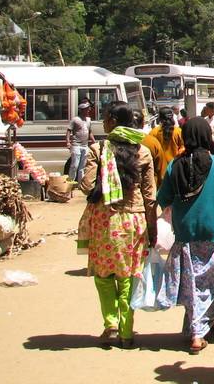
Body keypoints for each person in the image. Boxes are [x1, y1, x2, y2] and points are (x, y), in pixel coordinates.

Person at [78, 101, 157, 349]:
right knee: (127, 278)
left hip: (105, 219)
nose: (102, 122)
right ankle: (126, 332)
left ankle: (110, 322)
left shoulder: (98, 149)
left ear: (112, 121)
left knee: (103, 275)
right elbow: (150, 197)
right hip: (134, 221)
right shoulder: (142, 151)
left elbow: (87, 186)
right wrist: (152, 230)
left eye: (104, 118)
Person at [157, 117, 214, 355]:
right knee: (212, 282)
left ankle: (200, 325)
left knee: (191, 284)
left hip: (185, 232)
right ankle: (200, 331)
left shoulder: (174, 165)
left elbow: (163, 198)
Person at [150, 107, 184, 183]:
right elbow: (182, 147)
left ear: (160, 119)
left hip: (159, 169)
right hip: (176, 168)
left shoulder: (154, 132)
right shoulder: (178, 131)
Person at [132, 110, 165, 188]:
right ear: (143, 124)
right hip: (149, 187)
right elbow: (161, 169)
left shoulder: (119, 140)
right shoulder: (152, 141)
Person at [66, 102, 97, 183]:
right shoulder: (75, 120)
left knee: (82, 167)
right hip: (76, 145)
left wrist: (94, 142)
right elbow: (69, 131)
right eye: (86, 109)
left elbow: (90, 132)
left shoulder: (88, 120)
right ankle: (71, 182)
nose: (88, 111)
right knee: (74, 165)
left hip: (85, 145)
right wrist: (68, 142)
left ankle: (81, 184)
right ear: (82, 110)